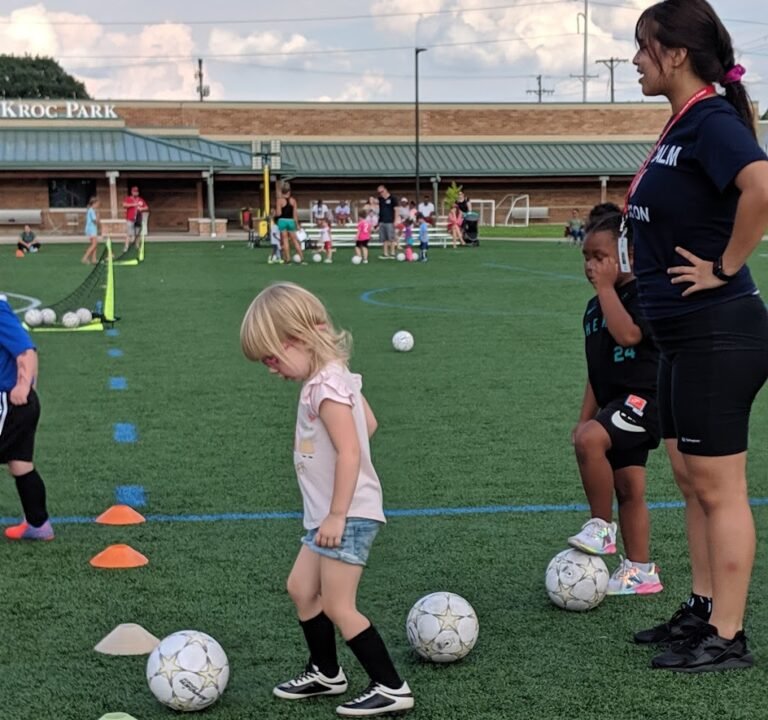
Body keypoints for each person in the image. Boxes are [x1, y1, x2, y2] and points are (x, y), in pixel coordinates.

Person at [628, 0, 768, 673]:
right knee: (688, 477)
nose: (634, 60)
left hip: (720, 332)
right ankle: (703, 607)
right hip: (682, 336)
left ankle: (729, 636)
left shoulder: (711, 120)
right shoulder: (683, 125)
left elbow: (761, 185)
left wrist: (727, 266)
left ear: (675, 53)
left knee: (719, 487)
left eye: (642, 47)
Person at [240, 282, 414, 717]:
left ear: (297, 339)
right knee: (301, 588)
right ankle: (326, 671)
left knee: (338, 604)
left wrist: (337, 513)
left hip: (346, 515)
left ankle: (392, 687)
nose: (271, 369)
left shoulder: (326, 387)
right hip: (328, 516)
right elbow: (367, 424)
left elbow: (353, 448)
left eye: (273, 358)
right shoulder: (332, 377)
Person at [568, 203, 663, 596]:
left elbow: (629, 336)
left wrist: (608, 289)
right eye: (587, 258)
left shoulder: (644, 293)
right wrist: (584, 417)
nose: (592, 267)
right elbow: (597, 371)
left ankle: (601, 527)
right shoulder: (593, 310)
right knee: (628, 486)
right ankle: (641, 572)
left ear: (627, 255)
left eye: (601, 257)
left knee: (591, 439)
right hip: (614, 405)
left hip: (646, 399)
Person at [0, 295, 53, 541]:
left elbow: (26, 351)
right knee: (20, 464)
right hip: (18, 405)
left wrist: (23, 385)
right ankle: (38, 524)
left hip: (10, 401)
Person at [276, 184, 304, 263]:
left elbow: (278, 213)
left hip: (282, 221)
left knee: (285, 240)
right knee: (294, 240)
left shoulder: (279, 200)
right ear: (289, 192)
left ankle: (288, 258)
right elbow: (295, 214)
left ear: (282, 192)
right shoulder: (293, 200)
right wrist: (297, 224)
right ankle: (301, 257)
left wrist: (273, 214)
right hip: (291, 221)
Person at [122, 186, 148, 252]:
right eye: (134, 192)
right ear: (132, 192)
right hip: (130, 219)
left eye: (136, 192)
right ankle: (126, 247)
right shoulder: (128, 199)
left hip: (138, 219)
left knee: (137, 234)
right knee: (129, 233)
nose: (135, 193)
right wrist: (133, 204)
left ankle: (137, 246)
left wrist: (142, 208)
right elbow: (124, 205)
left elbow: (146, 207)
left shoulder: (140, 200)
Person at [376, 185, 398, 259]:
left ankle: (392, 253)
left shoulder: (393, 198)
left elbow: (396, 210)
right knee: (384, 239)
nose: (381, 193)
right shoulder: (380, 199)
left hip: (390, 221)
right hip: (382, 221)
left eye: (381, 191)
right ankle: (385, 254)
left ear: (385, 190)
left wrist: (395, 220)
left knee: (391, 238)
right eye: (379, 192)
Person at [82, 197, 100, 265]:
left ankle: (94, 259)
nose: (98, 205)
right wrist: (98, 216)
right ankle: (85, 258)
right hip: (91, 229)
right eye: (97, 203)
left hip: (91, 229)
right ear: (94, 203)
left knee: (95, 244)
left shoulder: (91, 210)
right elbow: (95, 221)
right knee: (94, 244)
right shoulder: (91, 210)